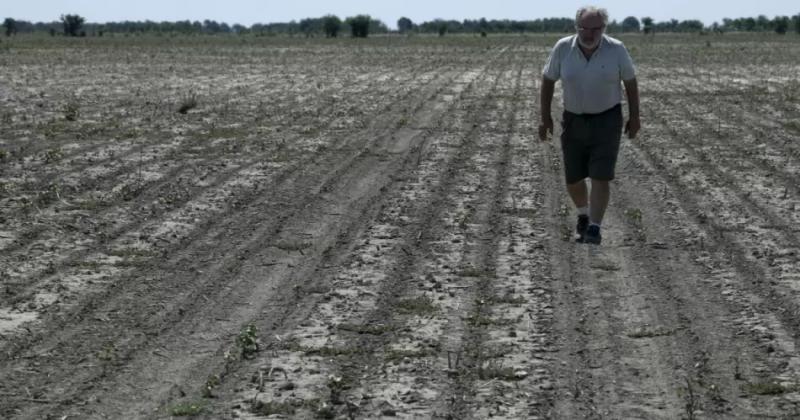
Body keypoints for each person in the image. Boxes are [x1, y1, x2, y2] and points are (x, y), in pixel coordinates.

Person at [538, 6, 640, 245]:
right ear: (577, 27)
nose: (589, 33)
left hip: (607, 119)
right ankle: (583, 215)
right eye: (584, 28)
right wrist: (545, 117)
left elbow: (630, 82)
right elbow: (548, 80)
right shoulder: (563, 48)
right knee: (573, 177)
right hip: (573, 119)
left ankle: (594, 227)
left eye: (595, 28)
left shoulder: (616, 49)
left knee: (600, 175)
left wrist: (635, 117)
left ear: (604, 28)